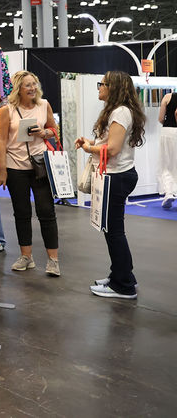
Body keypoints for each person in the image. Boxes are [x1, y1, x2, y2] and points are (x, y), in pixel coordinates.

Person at [76, 71, 145, 299]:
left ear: (113, 87)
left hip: (117, 177)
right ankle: (122, 276)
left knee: (114, 232)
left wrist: (89, 149)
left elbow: (113, 149)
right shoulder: (120, 111)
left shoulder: (120, 112)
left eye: (102, 84)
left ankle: (123, 285)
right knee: (112, 231)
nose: (99, 87)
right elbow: (110, 143)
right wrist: (92, 142)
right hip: (117, 175)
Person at [0, 71, 61, 277]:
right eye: (27, 86)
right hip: (16, 168)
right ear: (18, 89)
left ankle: (53, 260)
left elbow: (53, 129)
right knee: (21, 213)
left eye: (34, 84)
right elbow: (1, 141)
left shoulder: (44, 105)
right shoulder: (7, 110)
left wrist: (44, 133)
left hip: (40, 165)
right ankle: (26, 256)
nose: (32, 88)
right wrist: (2, 169)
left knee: (46, 212)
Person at [157, 90, 177, 210]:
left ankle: (169, 193)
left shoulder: (167, 97)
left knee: (166, 164)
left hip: (167, 132)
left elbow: (160, 119)